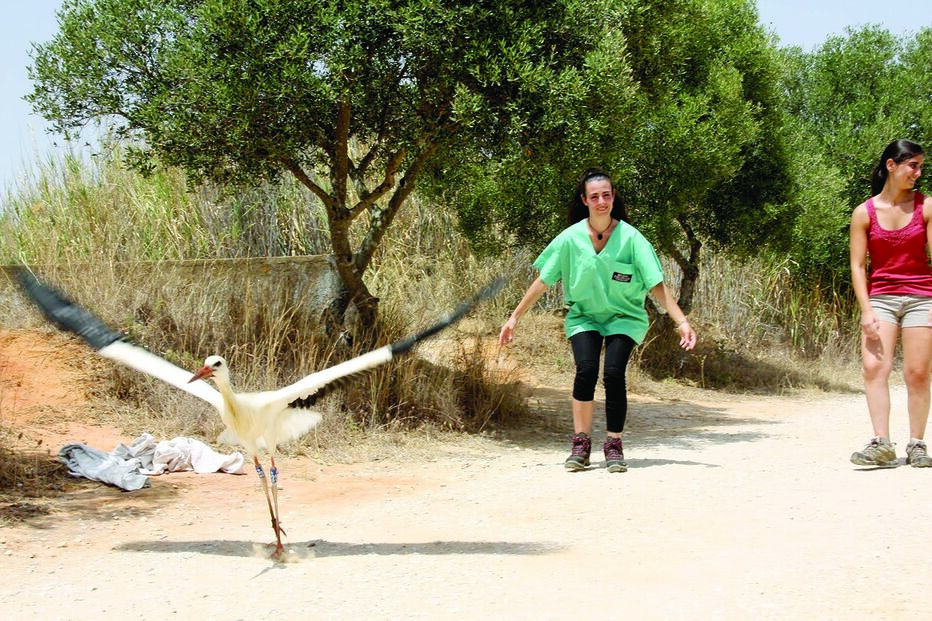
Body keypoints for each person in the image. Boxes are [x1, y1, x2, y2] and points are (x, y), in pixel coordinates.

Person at [499, 168, 697, 472]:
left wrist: (681, 322)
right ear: (585, 200)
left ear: (613, 197)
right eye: (595, 197)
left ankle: (614, 444)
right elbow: (543, 280)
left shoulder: (632, 239)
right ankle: (581, 444)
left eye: (606, 195)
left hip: (625, 317)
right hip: (584, 316)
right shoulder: (570, 239)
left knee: (614, 374)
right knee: (586, 371)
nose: (601, 201)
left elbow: (657, 285)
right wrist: (514, 318)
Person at [849, 139, 932, 468]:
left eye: (920, 166)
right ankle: (881, 444)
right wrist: (866, 310)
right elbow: (858, 266)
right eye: (913, 165)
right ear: (891, 165)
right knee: (874, 369)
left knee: (917, 373)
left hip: (921, 297)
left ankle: (917, 444)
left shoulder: (926, 207)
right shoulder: (864, 213)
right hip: (880, 299)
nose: (918, 172)